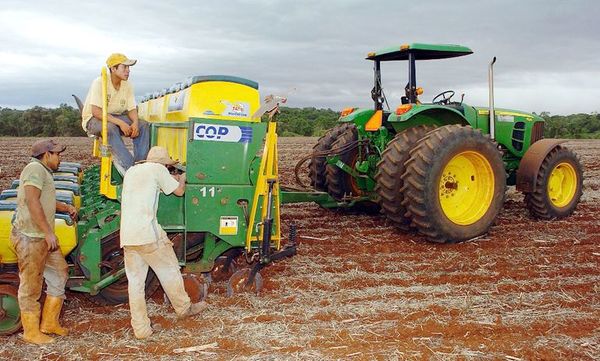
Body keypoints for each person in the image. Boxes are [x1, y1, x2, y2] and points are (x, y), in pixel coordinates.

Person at [120, 146, 207, 339]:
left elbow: (152, 186)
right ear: (162, 164)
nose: (168, 170)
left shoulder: (132, 171)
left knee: (135, 283)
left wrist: (169, 179)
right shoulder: (158, 170)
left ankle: (141, 330)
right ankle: (184, 308)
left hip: (128, 235)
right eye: (168, 167)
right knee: (170, 270)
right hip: (148, 235)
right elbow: (179, 192)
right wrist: (183, 177)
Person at [11, 139, 78, 345]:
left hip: (42, 238)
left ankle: (49, 323)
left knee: (60, 271)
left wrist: (65, 208)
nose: (60, 158)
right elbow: (32, 201)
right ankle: (31, 332)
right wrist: (48, 232)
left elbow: (44, 200)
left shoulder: (43, 171)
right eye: (57, 154)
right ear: (46, 154)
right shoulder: (34, 169)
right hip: (31, 238)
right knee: (31, 286)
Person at [81, 53, 150, 174]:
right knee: (110, 127)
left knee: (143, 125)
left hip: (114, 116)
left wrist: (135, 122)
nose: (128, 71)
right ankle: (129, 168)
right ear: (113, 69)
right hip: (94, 119)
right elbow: (96, 112)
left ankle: (140, 165)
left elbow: (132, 109)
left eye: (129, 68)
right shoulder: (100, 82)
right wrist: (121, 123)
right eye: (125, 67)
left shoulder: (127, 85)